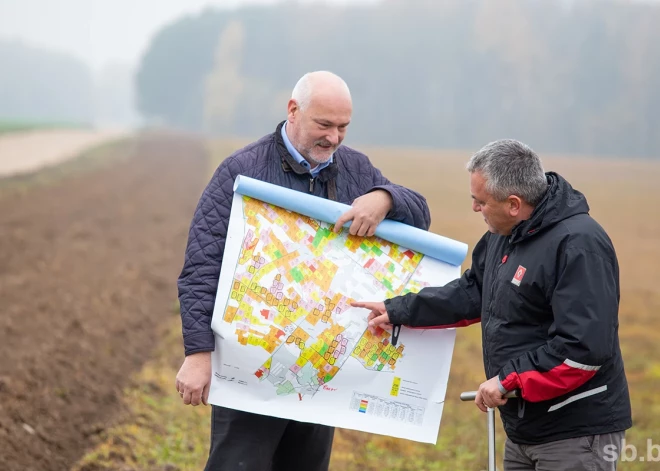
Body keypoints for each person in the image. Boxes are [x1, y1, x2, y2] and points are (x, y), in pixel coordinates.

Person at [175, 70, 431, 471]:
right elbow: (202, 267)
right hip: (250, 365)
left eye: (343, 127)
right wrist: (197, 352)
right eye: (324, 125)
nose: (334, 137)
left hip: (318, 374)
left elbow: (420, 214)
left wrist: (384, 198)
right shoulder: (241, 171)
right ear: (293, 111)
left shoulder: (354, 170)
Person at [354, 139, 632, 470]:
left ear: (514, 203)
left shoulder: (579, 245)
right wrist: (400, 310)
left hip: (575, 434)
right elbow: (474, 292)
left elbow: (582, 351)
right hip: (523, 429)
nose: (475, 209)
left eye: (480, 202)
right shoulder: (505, 233)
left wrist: (508, 380)